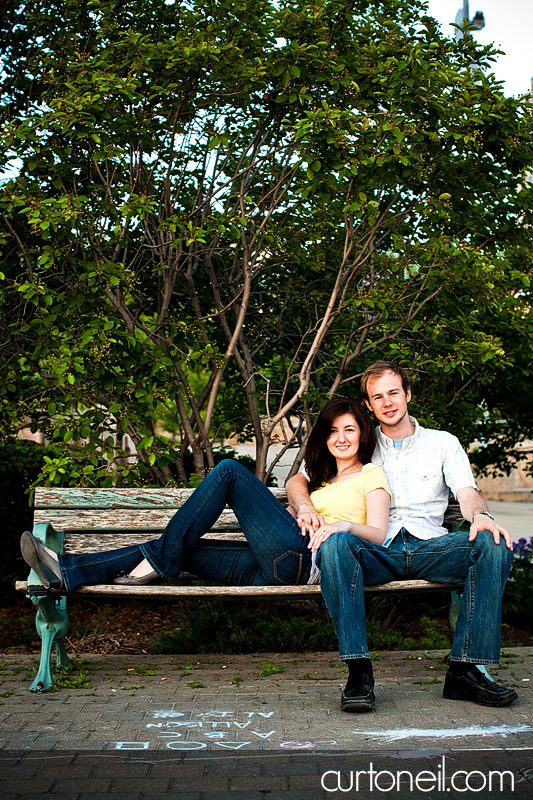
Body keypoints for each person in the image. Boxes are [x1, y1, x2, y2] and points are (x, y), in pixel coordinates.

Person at [286, 361, 517, 713]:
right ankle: (358, 672)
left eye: (394, 393)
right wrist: (305, 508)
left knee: (492, 542)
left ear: (407, 394)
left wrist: (481, 516)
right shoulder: (355, 439)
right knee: (336, 545)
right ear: (368, 404)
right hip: (377, 550)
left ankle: (465, 670)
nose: (387, 402)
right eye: (377, 397)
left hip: (431, 548)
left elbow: (467, 492)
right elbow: (299, 479)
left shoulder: (442, 443)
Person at [20, 398, 390, 605]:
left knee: (228, 471)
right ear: (324, 438)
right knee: (177, 548)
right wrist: (303, 507)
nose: (341, 438)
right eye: (333, 431)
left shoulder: (371, 474)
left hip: (305, 560)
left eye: (350, 430)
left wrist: (338, 525)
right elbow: (297, 485)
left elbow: (377, 534)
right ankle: (70, 570)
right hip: (270, 565)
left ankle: (158, 560)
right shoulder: (320, 477)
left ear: (363, 436)